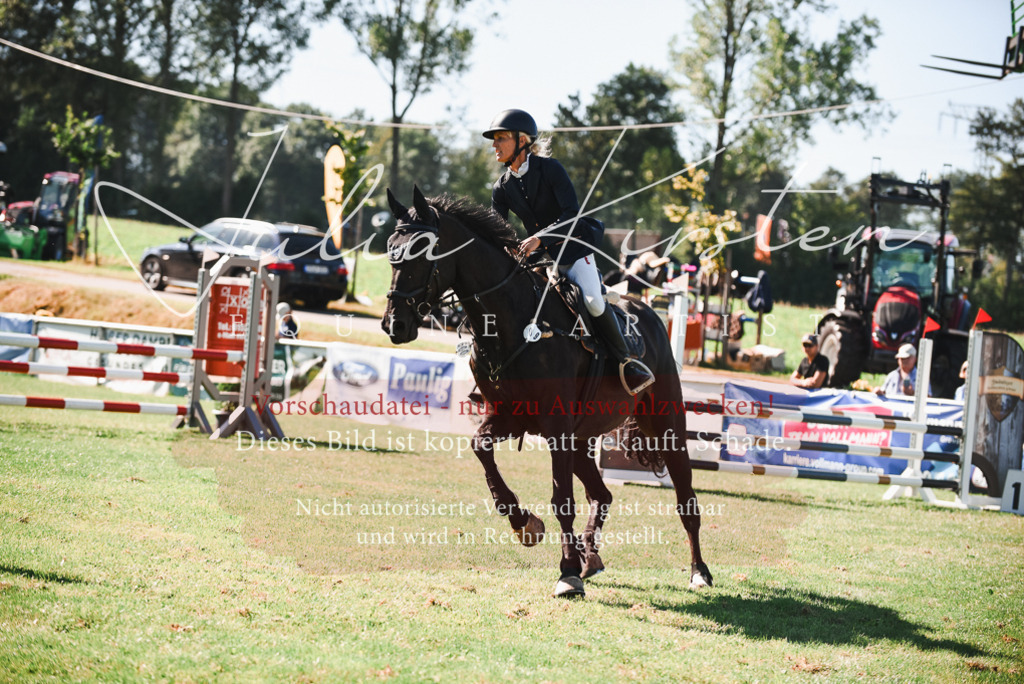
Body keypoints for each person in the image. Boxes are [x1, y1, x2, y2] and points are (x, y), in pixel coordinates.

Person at [483, 108, 653, 393]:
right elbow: (498, 230)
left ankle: (626, 362)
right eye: (494, 139)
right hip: (539, 260)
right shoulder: (501, 187)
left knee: (594, 302)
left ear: (522, 140)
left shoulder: (550, 169)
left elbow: (571, 214)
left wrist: (538, 238)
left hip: (574, 251)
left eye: (501, 138)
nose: (494, 145)